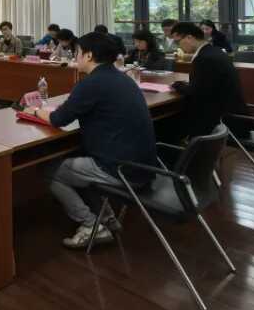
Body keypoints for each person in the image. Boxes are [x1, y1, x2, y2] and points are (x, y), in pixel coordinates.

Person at [24, 32, 157, 249]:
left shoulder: (92, 83)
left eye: (77, 52)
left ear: (89, 55)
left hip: (120, 169)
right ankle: (107, 218)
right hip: (143, 165)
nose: (75, 57)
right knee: (77, 160)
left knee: (50, 170)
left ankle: (91, 225)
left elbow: (58, 119)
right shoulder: (122, 78)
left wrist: (36, 111)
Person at [169, 22, 248, 139]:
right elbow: (206, 86)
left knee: (167, 124)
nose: (178, 46)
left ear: (189, 37)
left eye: (177, 41)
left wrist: (177, 86)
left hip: (221, 122)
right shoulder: (214, 51)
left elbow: (196, 92)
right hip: (232, 116)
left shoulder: (204, 58)